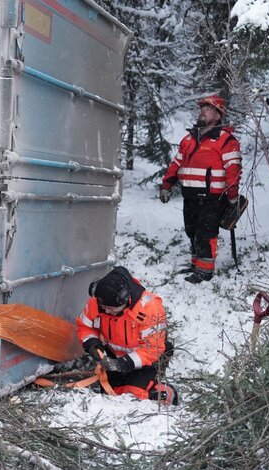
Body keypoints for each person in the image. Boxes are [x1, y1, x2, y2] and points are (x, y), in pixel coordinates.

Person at [159, 94, 242, 284]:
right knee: (192, 231)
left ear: (218, 115)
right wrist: (166, 184)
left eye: (208, 109)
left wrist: (232, 196)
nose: (203, 112)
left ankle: (205, 271)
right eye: (202, 109)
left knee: (206, 233)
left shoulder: (226, 140)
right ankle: (196, 264)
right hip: (190, 195)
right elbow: (176, 163)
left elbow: (233, 170)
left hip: (213, 197)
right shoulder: (189, 138)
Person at [76, 266, 178, 405]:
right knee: (112, 395)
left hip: (147, 360)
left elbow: (152, 348)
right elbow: (85, 327)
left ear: (125, 300)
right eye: (104, 307)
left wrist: (125, 363)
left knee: (135, 396)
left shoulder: (149, 307)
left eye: (111, 309)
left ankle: (165, 392)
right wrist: (92, 344)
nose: (107, 311)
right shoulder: (98, 302)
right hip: (113, 357)